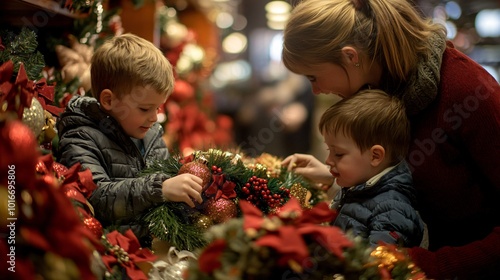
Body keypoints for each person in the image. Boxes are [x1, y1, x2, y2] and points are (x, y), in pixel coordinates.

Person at [281, 0, 500, 278]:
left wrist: (428, 265)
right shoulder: (387, 87)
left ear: (350, 56)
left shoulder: (469, 92)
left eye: (313, 77)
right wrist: (339, 172)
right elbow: (407, 181)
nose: (315, 90)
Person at [56, 33, 204, 246]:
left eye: (158, 107)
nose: (154, 118)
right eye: (145, 108)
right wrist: (160, 189)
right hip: (113, 254)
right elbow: (97, 199)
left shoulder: (150, 134)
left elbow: (167, 180)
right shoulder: (81, 136)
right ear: (109, 100)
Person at [319, 89, 424, 247]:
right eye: (329, 151)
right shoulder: (358, 186)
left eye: (338, 154)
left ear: (375, 156)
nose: (328, 161)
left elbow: (375, 267)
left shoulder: (392, 211)